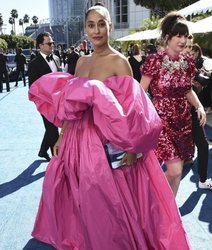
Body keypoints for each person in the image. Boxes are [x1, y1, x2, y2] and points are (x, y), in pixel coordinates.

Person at [29, 5, 191, 249]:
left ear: (110, 26)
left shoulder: (120, 62)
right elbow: (73, 105)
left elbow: (134, 111)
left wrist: (133, 149)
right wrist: (62, 135)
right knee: (82, 193)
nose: (96, 30)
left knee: (111, 203)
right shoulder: (81, 62)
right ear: (85, 28)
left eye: (101, 24)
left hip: (109, 143)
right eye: (91, 25)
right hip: (78, 138)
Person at [140, 12, 206, 197]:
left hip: (182, 122)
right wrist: (143, 117)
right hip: (160, 122)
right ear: (168, 37)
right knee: (175, 170)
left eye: (185, 36)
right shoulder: (155, 61)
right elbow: (140, 92)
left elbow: (187, 90)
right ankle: (156, 204)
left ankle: (169, 213)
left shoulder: (188, 63)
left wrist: (199, 106)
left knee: (174, 174)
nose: (183, 40)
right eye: (178, 35)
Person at [183, 42, 212, 190]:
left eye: (191, 46)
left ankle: (203, 180)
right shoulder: (169, 63)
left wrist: (207, 76)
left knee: (202, 145)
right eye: (187, 45)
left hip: (192, 111)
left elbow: (201, 81)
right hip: (173, 113)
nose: (189, 49)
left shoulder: (190, 64)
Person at [28, 32, 61, 161]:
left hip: (59, 102)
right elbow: (32, 87)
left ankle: (42, 151)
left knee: (51, 127)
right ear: (40, 46)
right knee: (54, 132)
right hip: (46, 104)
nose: (52, 45)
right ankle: (58, 163)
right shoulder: (34, 64)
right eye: (49, 43)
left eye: (52, 43)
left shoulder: (57, 58)